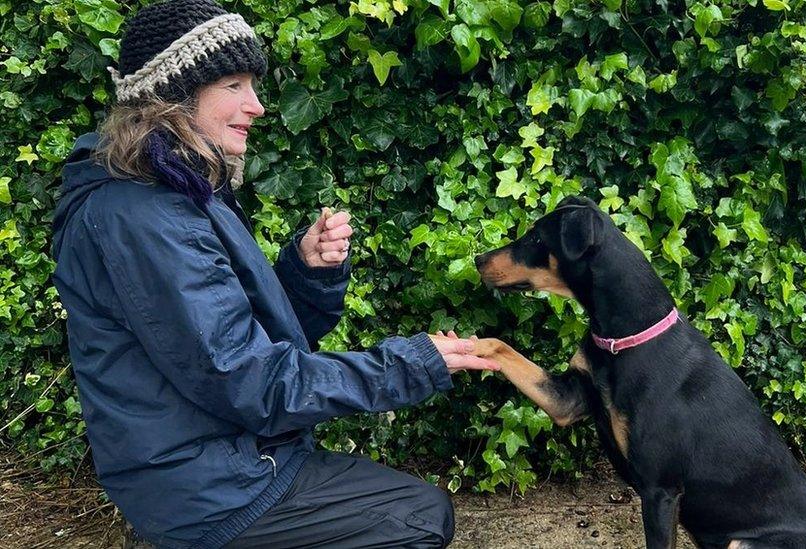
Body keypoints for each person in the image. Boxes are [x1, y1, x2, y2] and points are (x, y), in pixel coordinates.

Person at [50, 0, 499, 547]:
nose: (257, 106)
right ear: (173, 96)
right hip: (205, 486)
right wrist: (412, 362)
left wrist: (304, 273)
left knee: (415, 510)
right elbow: (249, 381)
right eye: (235, 84)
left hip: (226, 457)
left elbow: (236, 345)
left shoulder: (174, 192)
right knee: (416, 519)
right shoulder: (144, 215)